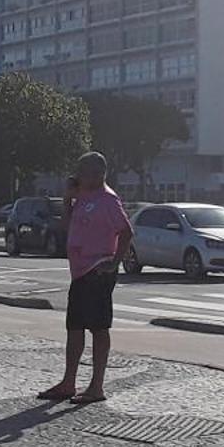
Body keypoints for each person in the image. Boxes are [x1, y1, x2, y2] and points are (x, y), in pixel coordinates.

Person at [39, 151, 133, 405]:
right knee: (75, 327)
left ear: (97, 174)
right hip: (80, 271)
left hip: (97, 268)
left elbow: (126, 231)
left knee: (99, 328)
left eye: (82, 173)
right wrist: (68, 200)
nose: (78, 178)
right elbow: (66, 227)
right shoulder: (83, 197)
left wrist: (114, 262)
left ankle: (96, 385)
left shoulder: (108, 200)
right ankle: (69, 381)